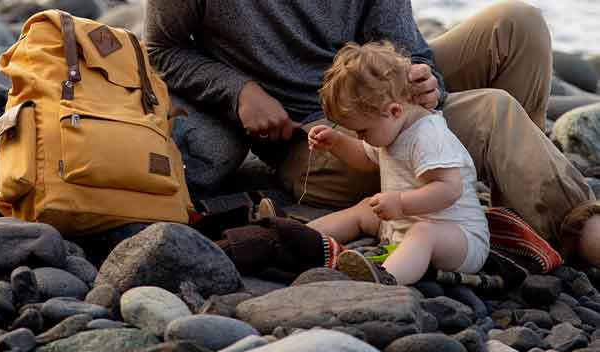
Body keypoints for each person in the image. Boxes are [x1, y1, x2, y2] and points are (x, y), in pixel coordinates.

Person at [145, 0, 600, 268]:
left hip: (386, 99)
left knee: (515, 23)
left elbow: (403, 50)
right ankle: (578, 229)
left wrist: (425, 82)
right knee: (490, 111)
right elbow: (161, 49)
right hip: (324, 136)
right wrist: (238, 91)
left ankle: (513, 201)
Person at [306, 41, 489, 285]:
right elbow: (365, 159)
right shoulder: (389, 127)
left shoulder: (429, 135)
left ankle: (385, 279)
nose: (360, 137)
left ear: (394, 111)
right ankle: (300, 237)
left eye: (362, 130)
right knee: (363, 209)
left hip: (457, 237)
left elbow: (449, 188)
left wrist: (401, 203)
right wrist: (336, 142)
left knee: (424, 233)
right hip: (403, 226)